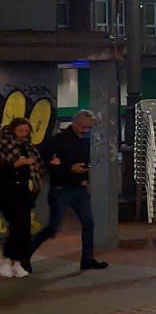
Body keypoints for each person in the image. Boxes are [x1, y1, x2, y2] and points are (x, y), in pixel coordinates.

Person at [30, 109, 107, 272]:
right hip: (61, 189)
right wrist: (68, 168)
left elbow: (85, 163)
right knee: (53, 228)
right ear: (74, 123)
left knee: (88, 223)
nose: (85, 131)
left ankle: (87, 259)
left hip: (79, 188)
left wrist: (86, 176)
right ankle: (24, 255)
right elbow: (44, 161)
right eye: (83, 127)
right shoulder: (57, 141)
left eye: (88, 128)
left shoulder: (83, 141)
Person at [0, 116, 45, 278]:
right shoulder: (4, 145)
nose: (24, 133)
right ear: (13, 129)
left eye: (26, 131)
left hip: (23, 190)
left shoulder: (28, 147)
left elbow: (38, 166)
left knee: (24, 227)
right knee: (15, 226)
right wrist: (15, 165)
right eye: (21, 130)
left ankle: (17, 261)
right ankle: (6, 260)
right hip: (7, 189)